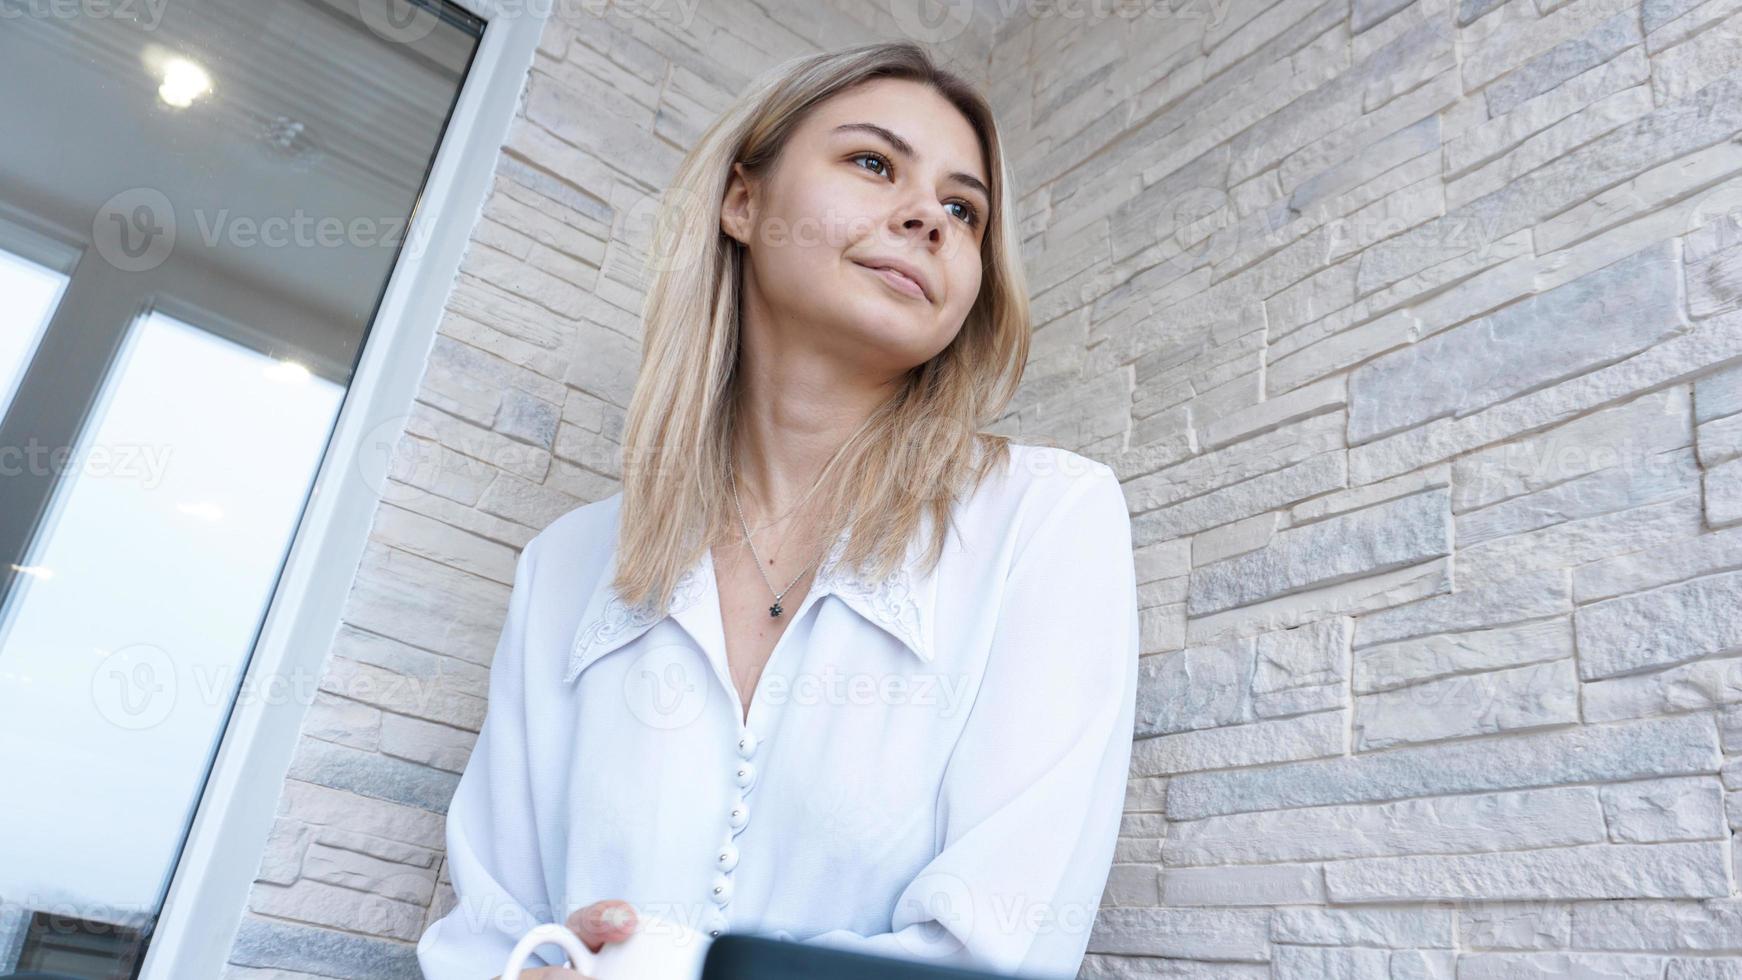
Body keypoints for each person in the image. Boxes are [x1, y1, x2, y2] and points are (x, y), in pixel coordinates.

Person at [415, 40, 1139, 980]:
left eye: (964, 209)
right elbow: (485, 937)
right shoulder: (563, 566)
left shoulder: (1047, 521)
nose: (929, 216)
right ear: (743, 202)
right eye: (874, 163)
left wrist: (646, 968)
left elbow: (998, 952)